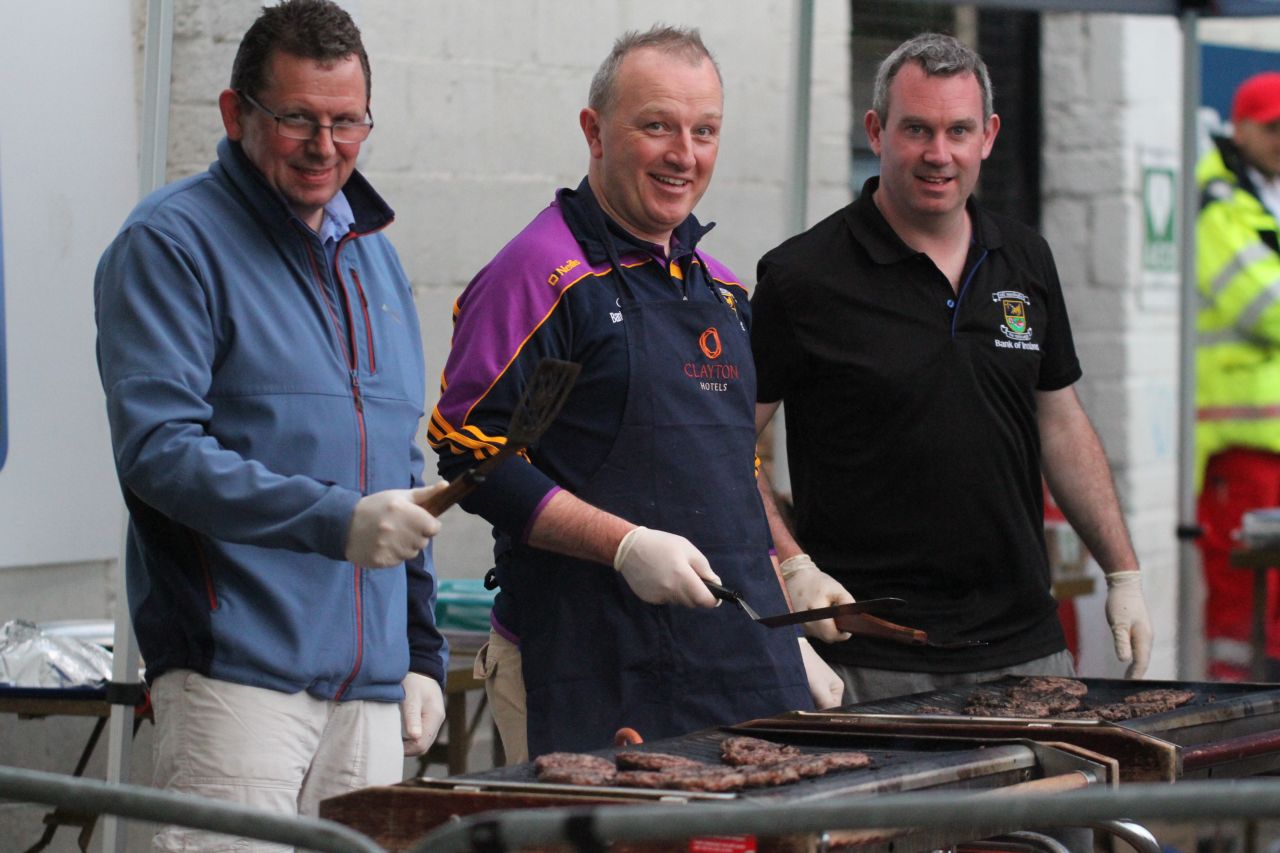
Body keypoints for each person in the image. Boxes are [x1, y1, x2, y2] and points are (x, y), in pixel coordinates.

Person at [429, 25, 840, 763]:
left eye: (704, 131)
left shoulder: (720, 288)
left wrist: (788, 580)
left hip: (741, 666)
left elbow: (730, 462)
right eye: (657, 126)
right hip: (590, 668)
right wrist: (623, 545)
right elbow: (474, 457)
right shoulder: (538, 276)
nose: (684, 154)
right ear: (594, 132)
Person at [94, 1, 447, 846]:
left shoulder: (376, 257)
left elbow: (399, 467)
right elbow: (160, 451)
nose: (325, 146)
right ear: (235, 113)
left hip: (369, 695)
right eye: (297, 119)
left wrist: (422, 651)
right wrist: (337, 521)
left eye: (347, 121)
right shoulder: (172, 244)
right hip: (235, 682)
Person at [750, 32, 1155, 705]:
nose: (939, 154)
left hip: (1030, 644)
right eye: (917, 129)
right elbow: (730, 443)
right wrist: (788, 564)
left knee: (1050, 816)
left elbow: (1059, 420)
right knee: (901, 819)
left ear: (989, 136)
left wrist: (1123, 571)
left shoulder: (1024, 257)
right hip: (874, 654)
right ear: (876, 130)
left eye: (958, 130)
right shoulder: (802, 278)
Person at [1195, 72, 1280, 681]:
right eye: (1273, 128)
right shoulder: (1221, 203)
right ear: (1243, 127)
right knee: (1244, 604)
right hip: (1242, 450)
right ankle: (1237, 738)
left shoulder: (1265, 196)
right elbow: (1265, 305)